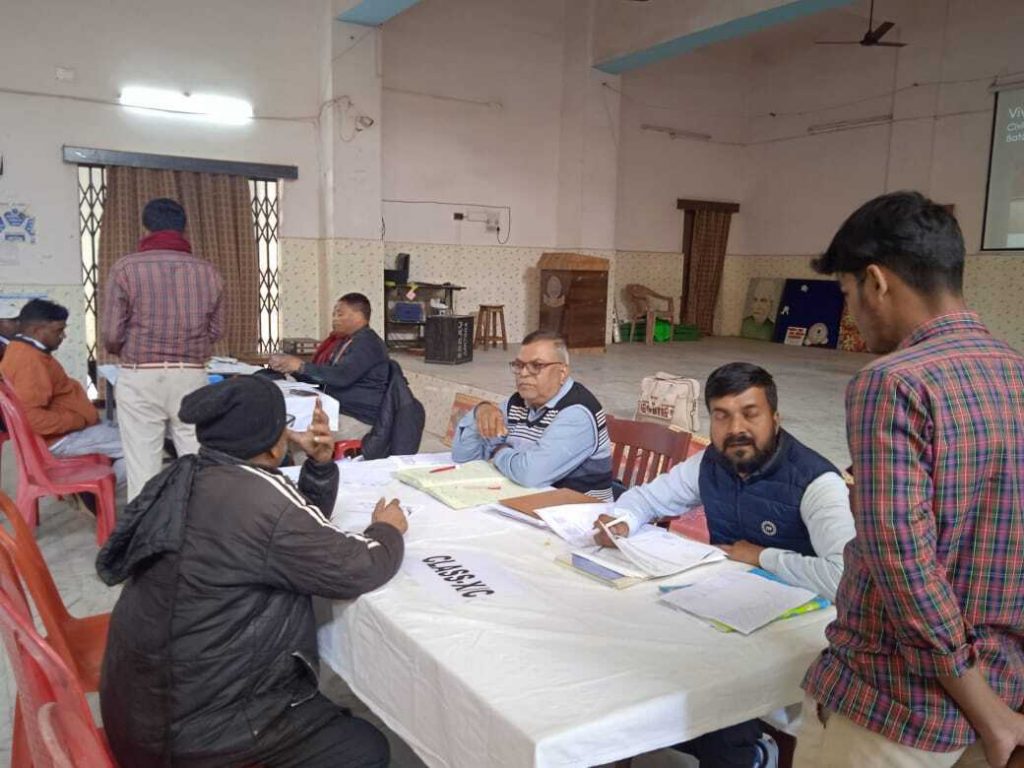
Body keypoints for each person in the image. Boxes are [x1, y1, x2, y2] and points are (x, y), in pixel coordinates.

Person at [796, 191, 1024, 768]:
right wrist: (997, 708)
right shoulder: (1017, 373)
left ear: (876, 282)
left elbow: (902, 562)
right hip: (1004, 693)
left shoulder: (893, 382)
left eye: (846, 294)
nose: (851, 313)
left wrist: (984, 707)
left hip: (895, 710)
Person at [96, 376, 407, 768]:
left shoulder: (188, 473)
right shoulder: (258, 500)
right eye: (283, 425)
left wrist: (318, 465)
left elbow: (287, 537)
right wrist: (387, 531)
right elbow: (357, 566)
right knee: (367, 748)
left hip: (142, 712)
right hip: (194, 738)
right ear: (274, 442)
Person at [595, 361, 853, 768]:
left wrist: (762, 556)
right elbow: (645, 498)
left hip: (798, 627)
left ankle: (747, 752)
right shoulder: (710, 464)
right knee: (630, 652)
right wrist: (621, 520)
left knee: (713, 689)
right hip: (724, 606)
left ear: (775, 418)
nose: (736, 428)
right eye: (722, 416)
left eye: (750, 414)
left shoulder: (817, 482)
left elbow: (844, 579)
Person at [102, 197, 224, 501]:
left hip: (141, 376)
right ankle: (197, 523)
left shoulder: (126, 268)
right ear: (184, 229)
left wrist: (129, 349)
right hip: (191, 377)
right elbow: (217, 330)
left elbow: (111, 333)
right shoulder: (208, 272)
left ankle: (147, 528)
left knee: (143, 467)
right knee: (196, 461)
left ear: (146, 227)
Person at [451, 330, 613, 499]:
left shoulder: (577, 412)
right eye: (519, 365)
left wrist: (499, 451)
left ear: (562, 372)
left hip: (579, 510)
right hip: (529, 501)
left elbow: (530, 474)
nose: (523, 373)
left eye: (536, 366)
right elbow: (464, 458)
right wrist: (480, 411)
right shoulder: (518, 402)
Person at [0, 299, 125, 485]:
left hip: (63, 433)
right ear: (37, 330)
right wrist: (79, 420)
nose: (63, 336)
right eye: (58, 330)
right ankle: (98, 491)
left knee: (125, 433)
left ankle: (95, 490)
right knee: (139, 446)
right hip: (60, 439)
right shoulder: (29, 362)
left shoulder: (22, 350)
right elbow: (33, 418)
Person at [268, 293, 389, 440]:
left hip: (357, 417)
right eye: (333, 314)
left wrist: (300, 366)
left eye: (340, 314)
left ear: (358, 316)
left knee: (297, 436)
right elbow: (325, 376)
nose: (334, 319)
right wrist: (293, 369)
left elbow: (341, 377)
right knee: (282, 423)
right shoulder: (346, 341)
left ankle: (305, 456)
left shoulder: (367, 343)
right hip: (337, 408)